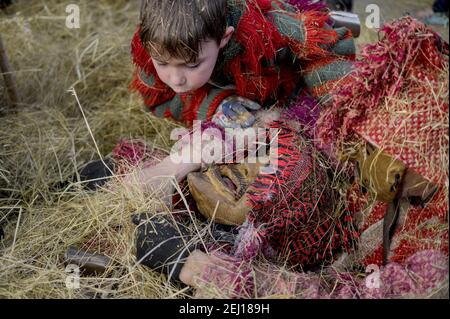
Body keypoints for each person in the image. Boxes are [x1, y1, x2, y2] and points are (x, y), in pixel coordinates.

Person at [126, 0, 356, 192]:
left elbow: (325, 43)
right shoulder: (154, 44)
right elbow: (161, 101)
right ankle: (179, 164)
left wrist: (338, 108)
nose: (176, 79)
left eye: (192, 64)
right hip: (237, 94)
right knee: (239, 121)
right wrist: (218, 103)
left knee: (317, 144)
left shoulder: (269, 25)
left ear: (224, 38)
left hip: (285, 79)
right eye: (163, 64)